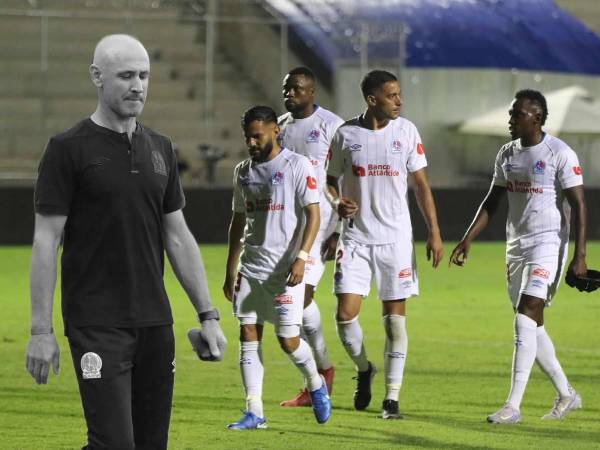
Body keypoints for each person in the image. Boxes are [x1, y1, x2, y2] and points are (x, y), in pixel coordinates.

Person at [25, 34, 226, 449]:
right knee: (114, 443)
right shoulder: (66, 149)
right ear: (97, 77)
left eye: (144, 76)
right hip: (96, 323)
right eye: (126, 76)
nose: (138, 86)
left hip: (155, 323)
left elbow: (178, 236)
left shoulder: (161, 148)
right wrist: (40, 331)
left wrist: (208, 314)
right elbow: (46, 241)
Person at [450, 89, 586, 424]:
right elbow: (492, 201)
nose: (511, 119)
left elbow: (580, 204)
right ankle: (567, 394)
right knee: (533, 326)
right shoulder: (507, 153)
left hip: (548, 245)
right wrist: (467, 238)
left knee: (525, 317)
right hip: (516, 248)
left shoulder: (559, 153)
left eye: (518, 114)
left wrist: (579, 256)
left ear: (536, 118)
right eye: (511, 113)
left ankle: (512, 406)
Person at [326, 70, 444, 419]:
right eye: (391, 95)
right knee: (344, 316)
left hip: (396, 240)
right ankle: (364, 368)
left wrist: (434, 231)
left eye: (399, 94)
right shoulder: (346, 134)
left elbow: (421, 186)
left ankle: (391, 398)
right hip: (356, 239)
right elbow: (329, 180)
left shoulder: (406, 132)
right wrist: (336, 201)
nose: (399, 101)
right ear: (371, 99)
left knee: (394, 323)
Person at [223, 105, 331, 430]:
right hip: (251, 268)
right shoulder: (243, 171)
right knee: (248, 332)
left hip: (285, 271)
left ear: (275, 131)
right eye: (248, 137)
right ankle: (254, 410)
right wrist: (230, 270)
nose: (251, 143)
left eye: (257, 136)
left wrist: (302, 257)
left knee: (288, 341)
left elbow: (314, 215)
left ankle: (315, 383)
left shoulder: (297, 165)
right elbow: (238, 221)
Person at [277, 66, 344, 407]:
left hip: (320, 227)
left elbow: (343, 179)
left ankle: (321, 375)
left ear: (311, 91)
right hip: (285, 228)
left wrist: (339, 231)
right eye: (286, 89)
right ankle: (321, 374)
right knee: (298, 303)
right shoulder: (279, 126)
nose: (289, 94)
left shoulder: (332, 126)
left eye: (296, 89)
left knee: (300, 297)